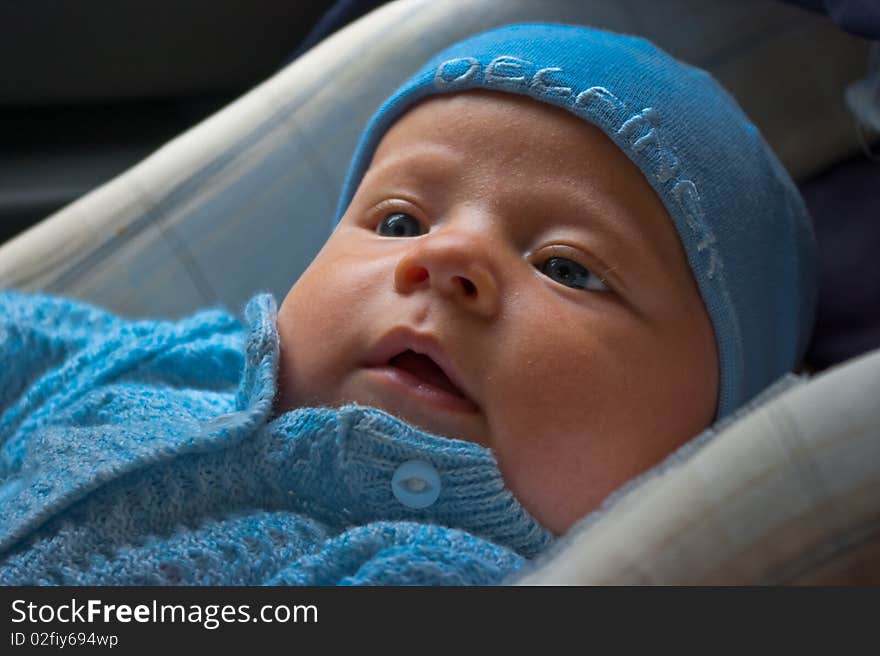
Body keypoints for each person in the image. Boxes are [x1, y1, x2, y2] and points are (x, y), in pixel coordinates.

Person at [0, 23, 816, 585]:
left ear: (703, 448)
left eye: (568, 269)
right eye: (399, 221)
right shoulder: (189, 362)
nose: (447, 257)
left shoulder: (443, 572)